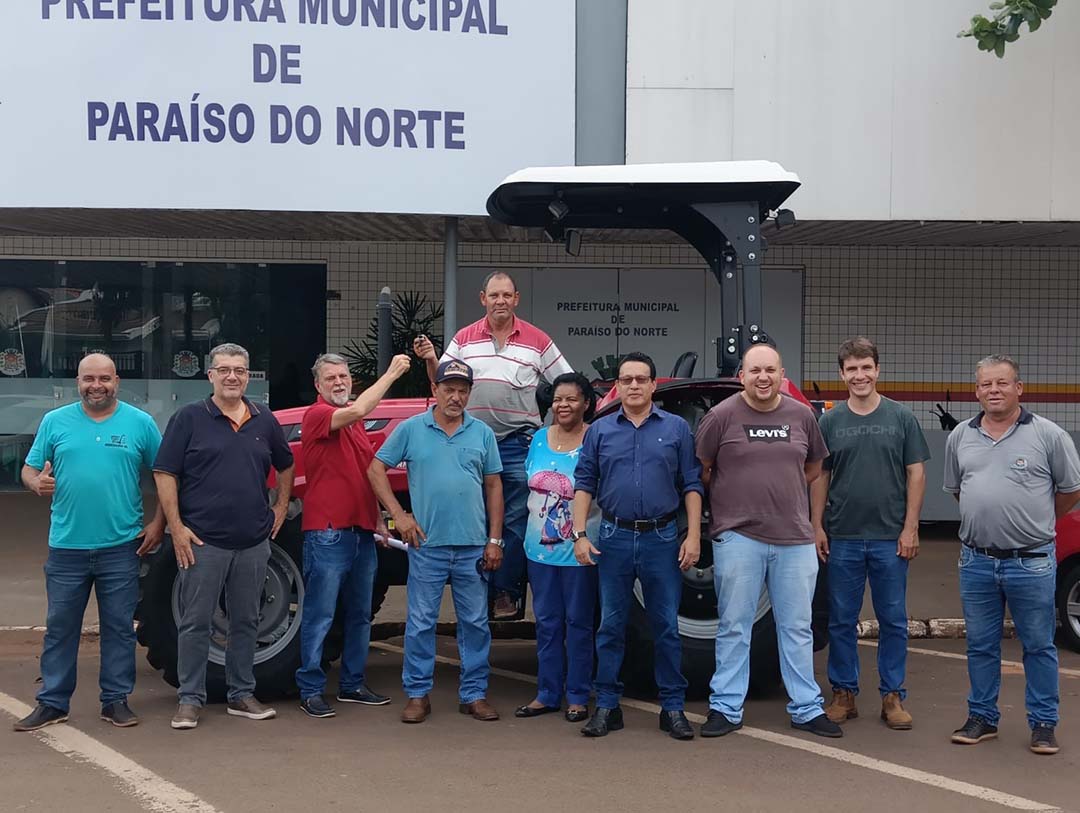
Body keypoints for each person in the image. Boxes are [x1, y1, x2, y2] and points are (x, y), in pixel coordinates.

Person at [695, 343, 840, 739]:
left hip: (795, 539)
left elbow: (814, 466)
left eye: (770, 370)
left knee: (797, 628)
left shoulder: (802, 416)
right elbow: (704, 469)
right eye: (755, 370)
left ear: (782, 375)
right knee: (734, 626)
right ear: (742, 376)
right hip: (739, 537)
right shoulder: (720, 417)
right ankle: (726, 707)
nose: (763, 377)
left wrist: (782, 490)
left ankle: (806, 708)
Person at [14, 354, 164, 732]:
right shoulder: (55, 421)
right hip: (67, 546)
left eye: (104, 379)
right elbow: (30, 468)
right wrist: (34, 482)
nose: (97, 386)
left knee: (118, 628)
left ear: (117, 381)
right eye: (89, 379)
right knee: (60, 628)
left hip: (121, 546)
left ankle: (115, 701)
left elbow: (165, 474)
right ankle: (52, 702)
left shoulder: (140, 423)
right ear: (78, 382)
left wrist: (159, 523)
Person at [414, 271, 573, 620]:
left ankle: (505, 593)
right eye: (494, 295)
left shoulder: (537, 340)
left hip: (519, 442)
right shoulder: (464, 339)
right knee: (475, 516)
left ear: (516, 299)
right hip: (471, 441)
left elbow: (565, 382)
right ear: (482, 298)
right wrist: (430, 358)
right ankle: (478, 596)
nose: (500, 301)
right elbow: (442, 379)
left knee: (514, 518)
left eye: (506, 295)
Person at [154, 342, 295, 730]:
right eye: (224, 370)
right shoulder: (188, 418)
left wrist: (281, 506)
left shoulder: (264, 419)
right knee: (195, 622)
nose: (232, 377)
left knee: (246, 621)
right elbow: (165, 473)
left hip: (253, 542)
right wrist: (176, 527)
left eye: (240, 371)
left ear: (248, 376)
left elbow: (286, 464)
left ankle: (241, 694)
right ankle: (189, 699)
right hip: (203, 542)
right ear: (211, 375)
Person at [944, 354, 1080, 756]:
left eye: (1002, 383)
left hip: (1031, 562)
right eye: (986, 384)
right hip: (977, 561)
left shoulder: (1049, 435)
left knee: (1038, 645)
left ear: (1018, 388)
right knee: (981, 645)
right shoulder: (960, 436)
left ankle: (1043, 724)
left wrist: (1036, 521)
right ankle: (982, 717)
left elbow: (1070, 490)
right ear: (976, 391)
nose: (994, 390)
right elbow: (959, 490)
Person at [572, 352, 703, 741]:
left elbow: (692, 484)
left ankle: (673, 708)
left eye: (640, 379)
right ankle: (607, 707)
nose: (633, 385)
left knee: (667, 627)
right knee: (610, 626)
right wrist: (579, 534)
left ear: (653, 385)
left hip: (662, 538)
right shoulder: (599, 430)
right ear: (618, 385)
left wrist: (693, 535)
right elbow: (585, 483)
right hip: (613, 537)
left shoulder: (677, 429)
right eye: (626, 379)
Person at [367, 359, 505, 724]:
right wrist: (400, 515)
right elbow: (376, 469)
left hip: (473, 545)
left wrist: (495, 539)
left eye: (462, 391)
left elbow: (494, 485)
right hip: (427, 546)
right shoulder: (412, 428)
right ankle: (417, 694)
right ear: (435, 390)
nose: (455, 397)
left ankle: (474, 695)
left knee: (475, 623)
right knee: (421, 622)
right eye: (449, 390)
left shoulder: (482, 433)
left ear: (469, 394)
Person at [810, 337, 929, 730]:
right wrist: (816, 525)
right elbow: (821, 476)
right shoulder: (830, 422)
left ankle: (892, 696)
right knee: (841, 620)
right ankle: (844, 694)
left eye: (866, 367)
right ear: (841, 374)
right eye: (852, 369)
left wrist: (910, 527)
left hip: (889, 538)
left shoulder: (901, 418)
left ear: (877, 370)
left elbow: (916, 473)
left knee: (893, 620)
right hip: (842, 537)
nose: (859, 375)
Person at [295, 352, 412, 719]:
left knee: (361, 614)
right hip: (327, 531)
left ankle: (352, 684)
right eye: (331, 378)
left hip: (361, 532)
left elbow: (365, 475)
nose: (339, 382)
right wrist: (391, 374)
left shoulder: (354, 425)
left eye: (343, 376)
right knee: (320, 614)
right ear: (317, 385)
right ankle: (311, 689)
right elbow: (360, 409)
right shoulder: (318, 415)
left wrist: (377, 520)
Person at [514, 372, 600, 723]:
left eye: (571, 399)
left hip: (579, 550)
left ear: (586, 403)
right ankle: (547, 693)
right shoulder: (538, 438)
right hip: (538, 550)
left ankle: (578, 695)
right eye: (558, 399)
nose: (563, 405)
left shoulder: (595, 438)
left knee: (579, 623)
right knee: (547, 623)